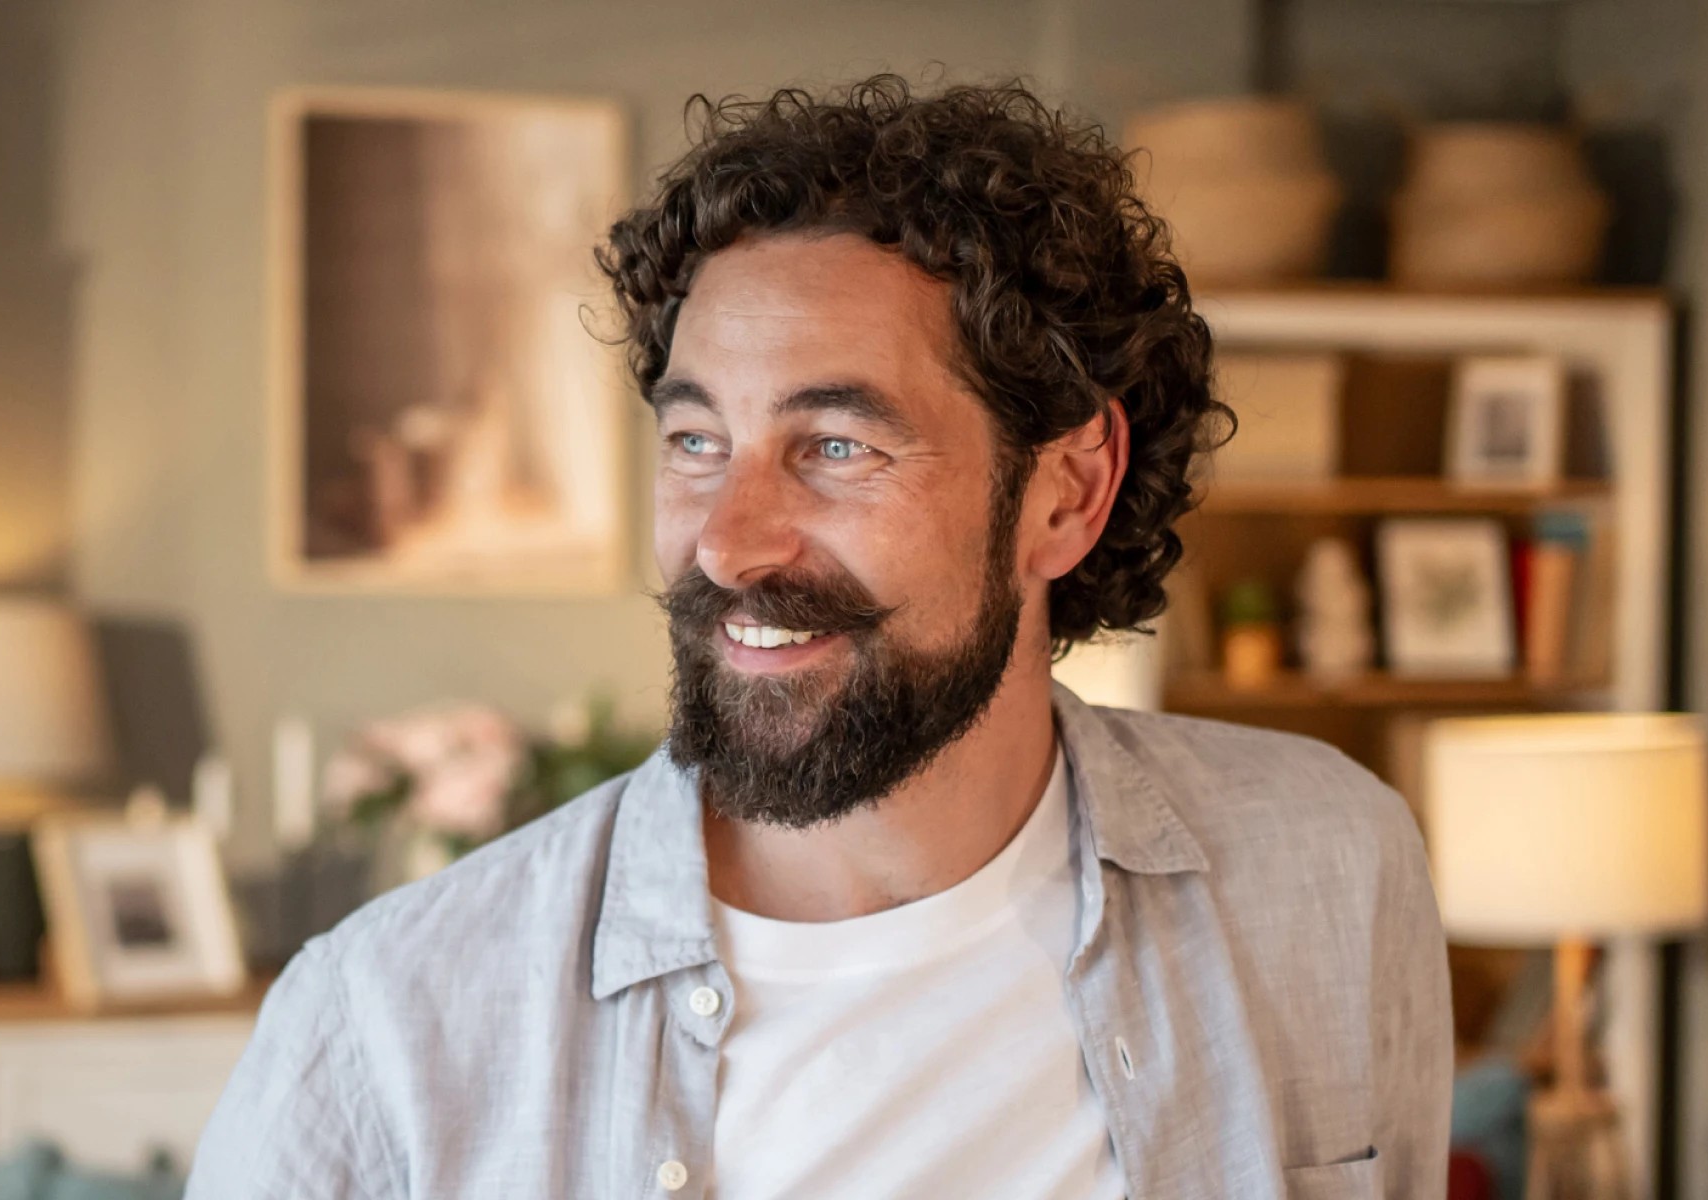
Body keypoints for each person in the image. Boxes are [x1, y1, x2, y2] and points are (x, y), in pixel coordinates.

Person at [187, 77, 1449, 1200]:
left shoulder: (1329, 871)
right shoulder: (383, 1028)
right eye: (698, 441)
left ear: (1066, 492)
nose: (728, 544)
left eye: (837, 446)